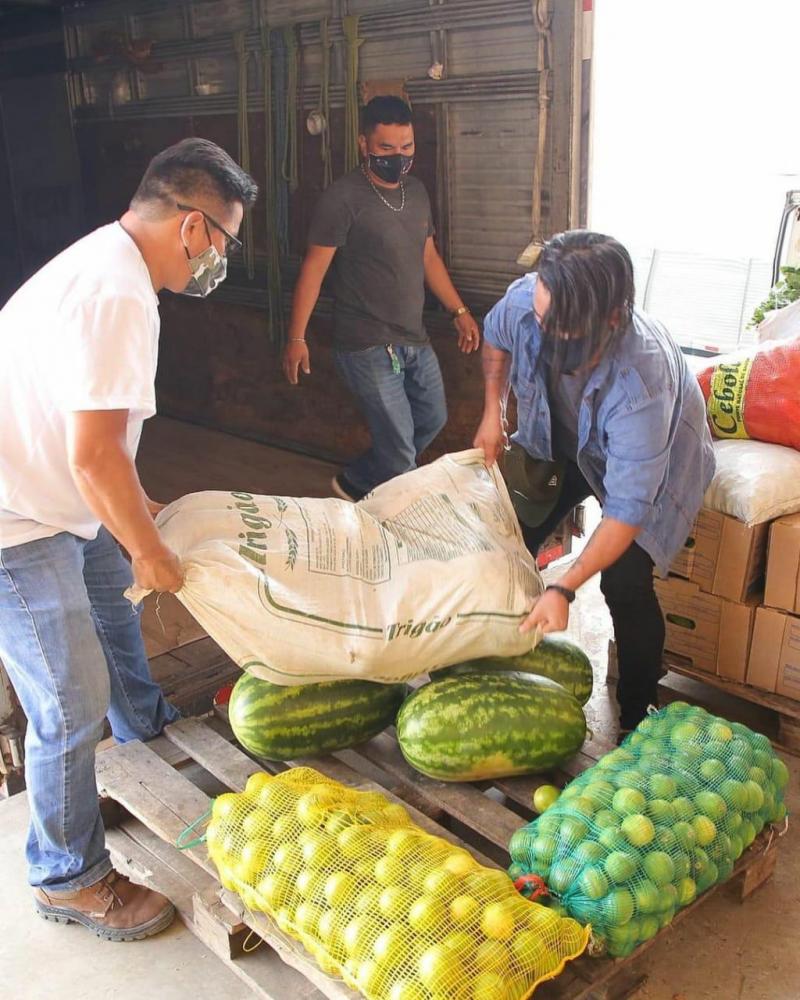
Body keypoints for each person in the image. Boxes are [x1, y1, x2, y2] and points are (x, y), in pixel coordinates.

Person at [0, 138, 257, 940]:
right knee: (69, 699)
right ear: (191, 227)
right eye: (225, 240)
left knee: (117, 616)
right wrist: (148, 547)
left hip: (60, 496)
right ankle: (67, 874)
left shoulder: (109, 266)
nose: (220, 260)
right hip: (17, 519)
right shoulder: (118, 295)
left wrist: (139, 511)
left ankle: (143, 744)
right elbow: (94, 452)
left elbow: (93, 437)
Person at [473, 230, 715, 737]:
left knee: (624, 582)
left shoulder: (640, 384)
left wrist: (562, 586)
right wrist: (492, 411)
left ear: (611, 319)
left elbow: (626, 510)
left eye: (559, 331)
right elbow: (496, 335)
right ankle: (491, 670)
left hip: (649, 457)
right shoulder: (533, 299)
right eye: (540, 321)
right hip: (559, 435)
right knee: (503, 534)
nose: (542, 337)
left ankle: (637, 718)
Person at [282, 95, 481, 501]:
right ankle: (403, 527)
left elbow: (427, 256)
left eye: (406, 147)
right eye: (386, 148)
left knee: (433, 417)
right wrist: (296, 337)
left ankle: (357, 482)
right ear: (364, 144)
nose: (398, 156)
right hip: (365, 343)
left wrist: (458, 309)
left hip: (413, 337)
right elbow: (313, 271)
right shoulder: (343, 200)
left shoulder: (418, 192)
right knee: (402, 448)